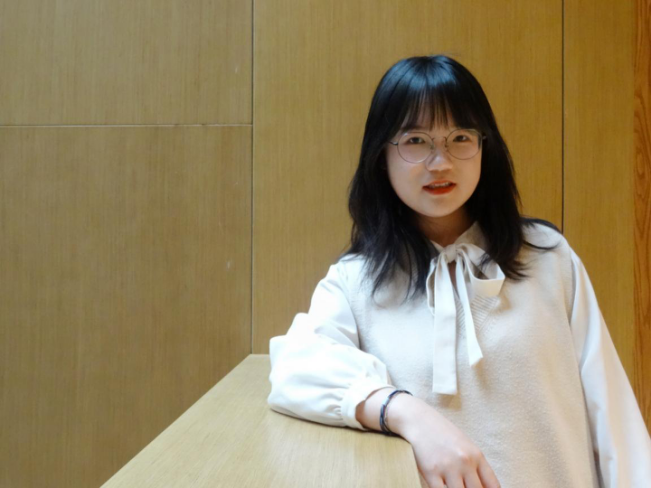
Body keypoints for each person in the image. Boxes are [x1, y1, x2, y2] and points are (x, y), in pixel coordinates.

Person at [266, 55, 651, 488]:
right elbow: (295, 368)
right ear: (381, 155)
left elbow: (613, 419)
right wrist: (407, 413)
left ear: (485, 147)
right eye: (415, 140)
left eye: (460, 137)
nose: (440, 162)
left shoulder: (547, 258)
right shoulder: (356, 281)